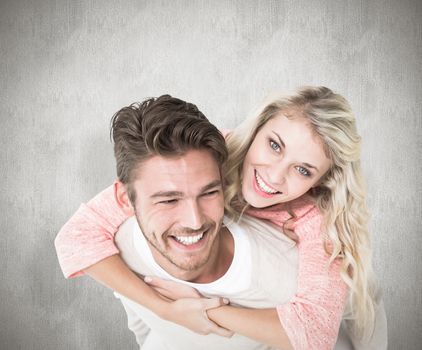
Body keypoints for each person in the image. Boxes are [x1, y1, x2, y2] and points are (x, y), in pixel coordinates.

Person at [55, 88, 386, 349]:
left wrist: (208, 311)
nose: (274, 175)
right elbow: (76, 238)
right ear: (257, 128)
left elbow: (313, 335)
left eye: (302, 170)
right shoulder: (208, 156)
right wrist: (165, 308)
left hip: (355, 312)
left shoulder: (317, 217)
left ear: (321, 181)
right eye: (274, 146)